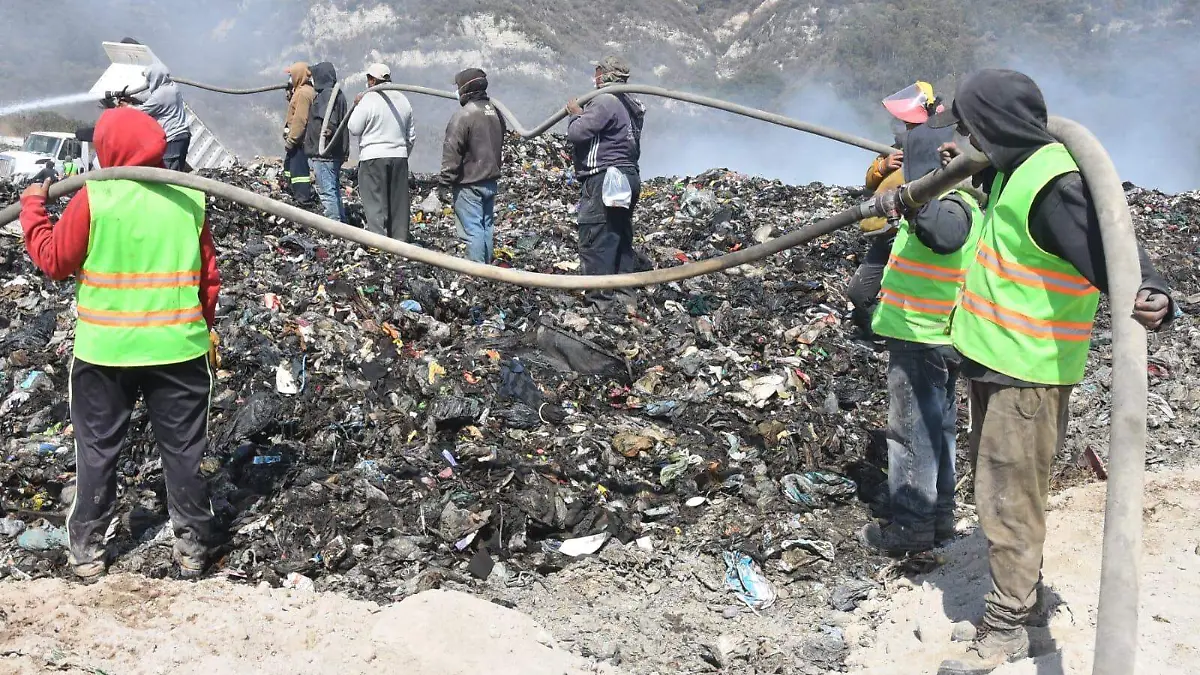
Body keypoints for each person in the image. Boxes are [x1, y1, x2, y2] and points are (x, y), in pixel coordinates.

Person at [922, 69, 1173, 674]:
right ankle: (1023, 604)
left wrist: (1154, 291)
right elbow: (1008, 218)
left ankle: (1008, 627)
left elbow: (1110, 245)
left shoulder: (1055, 185)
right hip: (997, 361)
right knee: (999, 493)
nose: (963, 133)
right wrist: (972, 165)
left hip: (1026, 374)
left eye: (969, 123)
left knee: (1010, 500)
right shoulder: (1014, 167)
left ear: (993, 124)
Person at [17, 107, 220, 580]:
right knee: (184, 452)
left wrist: (32, 207)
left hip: (105, 353)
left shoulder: (95, 198)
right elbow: (209, 279)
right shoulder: (189, 198)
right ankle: (191, 546)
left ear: (107, 149)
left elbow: (54, 259)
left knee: (98, 451)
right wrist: (200, 327)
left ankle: (87, 552)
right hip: (178, 350)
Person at [855, 121, 982, 555]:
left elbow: (944, 236)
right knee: (937, 430)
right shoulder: (959, 200)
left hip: (922, 336)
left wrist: (914, 202)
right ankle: (940, 519)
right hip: (938, 336)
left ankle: (911, 531)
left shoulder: (950, 205)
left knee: (911, 434)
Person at [848, 82, 943, 338]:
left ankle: (900, 337)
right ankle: (879, 332)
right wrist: (883, 166)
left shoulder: (935, 148)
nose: (902, 127)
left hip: (912, 232)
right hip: (885, 231)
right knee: (860, 292)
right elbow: (870, 182)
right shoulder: (895, 150)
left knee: (908, 293)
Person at [565, 56, 646, 309]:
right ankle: (624, 297)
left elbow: (577, 134)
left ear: (606, 75)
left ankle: (600, 303)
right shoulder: (632, 103)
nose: (595, 75)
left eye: (598, 70)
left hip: (605, 177)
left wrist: (576, 115)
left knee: (596, 236)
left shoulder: (604, 101)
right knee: (618, 235)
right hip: (628, 176)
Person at [437, 67, 505, 263]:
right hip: (490, 181)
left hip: (469, 184)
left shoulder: (464, 115)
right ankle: (487, 267)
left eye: (459, 87)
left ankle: (477, 272)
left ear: (466, 89)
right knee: (486, 227)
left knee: (472, 230)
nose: (457, 91)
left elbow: (452, 151)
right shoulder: (494, 112)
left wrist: (444, 182)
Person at [348, 62, 416, 241]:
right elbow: (411, 136)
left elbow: (354, 127)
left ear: (371, 80)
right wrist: (402, 153)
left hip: (373, 157)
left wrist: (357, 105)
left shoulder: (368, 99)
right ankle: (400, 242)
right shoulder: (403, 98)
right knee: (398, 203)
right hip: (399, 157)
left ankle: (379, 243)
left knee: (374, 201)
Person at [305, 61, 350, 223]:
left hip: (324, 154)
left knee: (327, 192)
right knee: (334, 189)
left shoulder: (326, 95)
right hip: (334, 153)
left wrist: (328, 131)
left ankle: (334, 225)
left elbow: (329, 121)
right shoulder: (338, 94)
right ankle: (342, 225)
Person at [131, 61, 191, 171]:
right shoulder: (172, 87)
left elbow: (140, 112)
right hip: (181, 136)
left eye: (149, 78)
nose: (147, 81)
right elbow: (149, 99)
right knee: (176, 172)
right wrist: (133, 98)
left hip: (173, 138)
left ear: (155, 77)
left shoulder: (160, 95)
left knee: (168, 175)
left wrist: (126, 106)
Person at [283, 62, 315, 203]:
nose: (290, 78)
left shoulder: (303, 94)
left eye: (291, 75)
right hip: (300, 140)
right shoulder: (302, 91)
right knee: (289, 167)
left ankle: (302, 199)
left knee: (299, 172)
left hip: (300, 141)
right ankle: (292, 191)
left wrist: (292, 140)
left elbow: (300, 119)